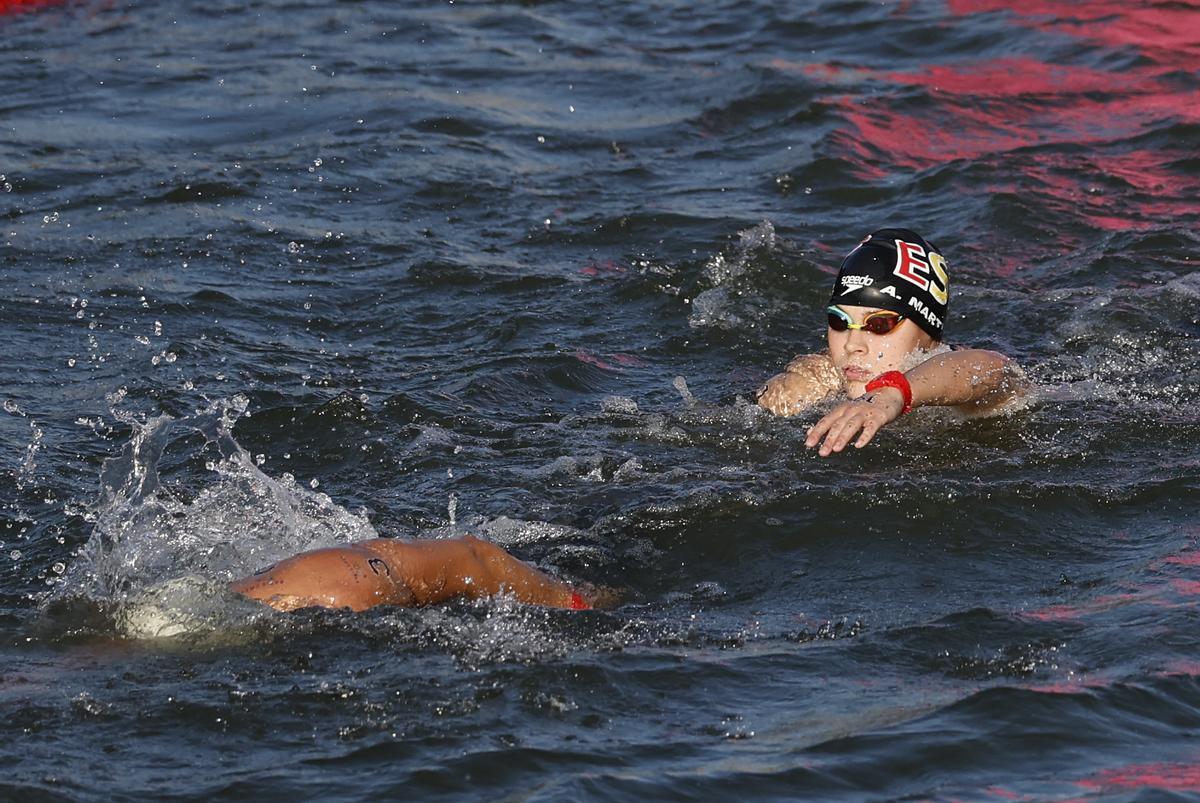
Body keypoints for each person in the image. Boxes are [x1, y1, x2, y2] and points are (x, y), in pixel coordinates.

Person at [756, 228, 1025, 456]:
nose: (852, 345)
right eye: (839, 321)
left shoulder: (958, 375)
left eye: (879, 324)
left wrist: (893, 393)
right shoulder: (823, 376)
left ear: (927, 332)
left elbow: (994, 369)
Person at [230, 535, 596, 612]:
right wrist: (575, 601)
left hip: (322, 575)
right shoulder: (391, 554)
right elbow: (476, 552)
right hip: (354, 576)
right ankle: (582, 603)